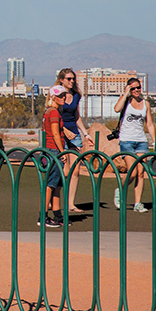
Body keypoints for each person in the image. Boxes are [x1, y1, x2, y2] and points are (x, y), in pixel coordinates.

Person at [112, 77, 156, 212]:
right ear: (128, 89)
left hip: (141, 141)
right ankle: (120, 189)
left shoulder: (145, 103)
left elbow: (149, 123)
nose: (136, 90)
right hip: (127, 140)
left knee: (141, 172)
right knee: (132, 172)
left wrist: (154, 141)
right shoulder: (126, 101)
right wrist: (125, 94)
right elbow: (116, 109)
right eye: (133, 88)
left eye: (138, 87)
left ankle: (138, 203)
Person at [55, 68, 88, 212]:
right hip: (61, 134)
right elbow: (53, 114)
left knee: (75, 171)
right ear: (61, 79)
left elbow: (77, 116)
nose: (72, 81)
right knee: (64, 171)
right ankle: (53, 199)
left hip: (74, 135)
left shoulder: (76, 95)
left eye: (73, 79)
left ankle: (70, 204)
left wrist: (86, 134)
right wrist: (63, 130)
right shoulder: (56, 94)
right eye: (68, 79)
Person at [39, 86, 67, 228]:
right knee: (50, 185)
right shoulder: (54, 112)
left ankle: (57, 216)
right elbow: (55, 134)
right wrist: (62, 153)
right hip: (54, 151)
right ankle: (42, 217)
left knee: (56, 185)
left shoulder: (49, 111)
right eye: (60, 96)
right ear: (52, 97)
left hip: (51, 150)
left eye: (64, 95)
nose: (63, 98)